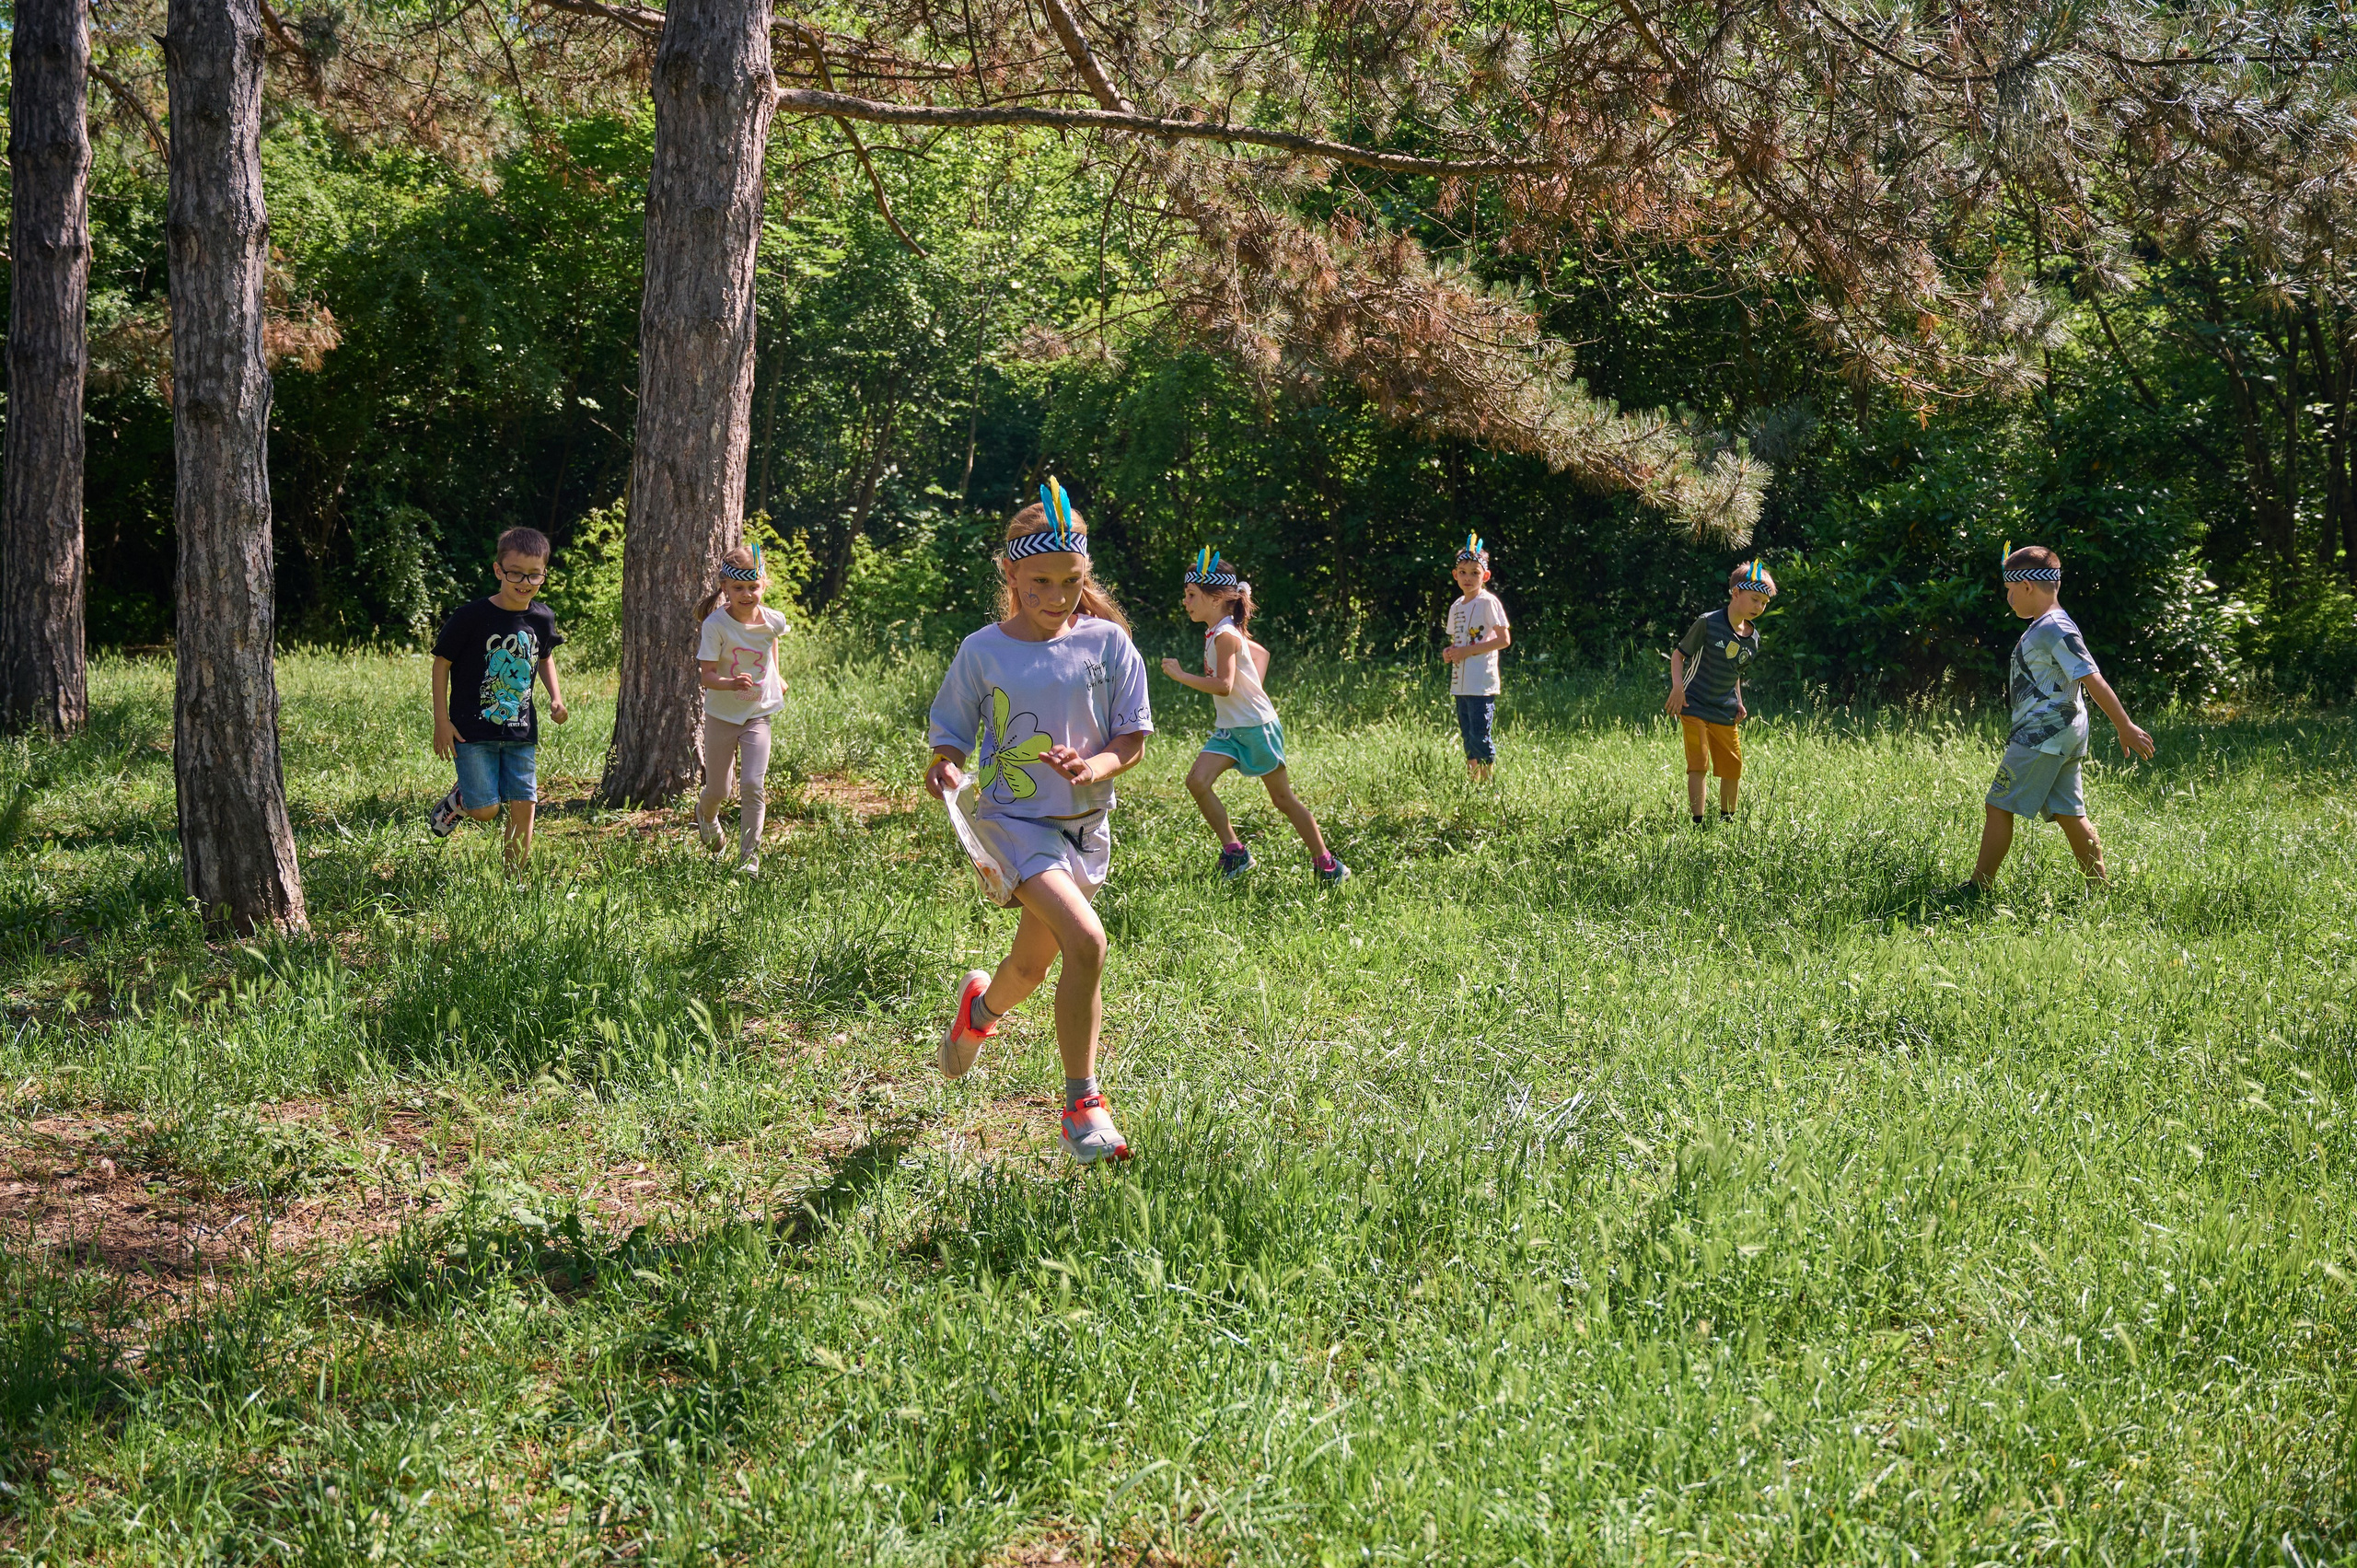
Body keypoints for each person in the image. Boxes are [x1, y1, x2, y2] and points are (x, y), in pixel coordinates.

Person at [925, 480, 1152, 1165]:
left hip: (1085, 826)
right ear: (1011, 575)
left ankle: (978, 1013)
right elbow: (951, 732)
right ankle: (1083, 1107)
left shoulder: (1110, 644)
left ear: (1087, 574)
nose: (1057, 597)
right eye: (1041, 583)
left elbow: (1131, 739)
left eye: (1071, 582)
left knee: (1029, 965)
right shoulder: (983, 651)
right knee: (1087, 941)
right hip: (1013, 822)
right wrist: (944, 764)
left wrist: (1094, 766)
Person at [1956, 545, 2155, 897]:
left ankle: (1978, 888)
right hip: (2060, 733)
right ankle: (2100, 891)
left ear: (2028, 586)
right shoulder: (2048, 625)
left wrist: (2124, 725)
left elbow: (2092, 677)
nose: (2008, 598)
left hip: (2043, 733)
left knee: (1998, 804)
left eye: (2010, 590)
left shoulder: (2054, 627)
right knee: (2068, 812)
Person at [1161, 548, 1350, 883]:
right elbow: (1261, 654)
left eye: (1191, 595)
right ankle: (1235, 853)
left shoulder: (1225, 635)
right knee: (1197, 782)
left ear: (1215, 598)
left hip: (1256, 728)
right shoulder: (1222, 630)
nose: (1185, 601)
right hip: (1230, 730)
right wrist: (1250, 689)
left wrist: (1181, 675)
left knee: (1282, 799)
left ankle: (1327, 865)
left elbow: (1223, 686)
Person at [429, 526, 569, 870]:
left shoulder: (542, 618)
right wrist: (441, 720)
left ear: (544, 574)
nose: (525, 582)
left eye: (534, 575)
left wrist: (556, 697)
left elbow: (544, 656)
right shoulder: (470, 617)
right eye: (515, 573)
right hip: (472, 731)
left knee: (525, 804)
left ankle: (514, 879)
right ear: (498, 570)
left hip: (521, 730)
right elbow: (441, 663)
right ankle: (462, 798)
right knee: (485, 810)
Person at [694, 543, 792, 876]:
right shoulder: (716, 625)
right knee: (719, 789)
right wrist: (731, 682)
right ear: (725, 587)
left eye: (753, 587)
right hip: (722, 715)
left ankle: (749, 859)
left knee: (752, 784)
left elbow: (771, 639)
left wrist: (776, 675)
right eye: (738, 588)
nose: (747, 594)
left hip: (757, 713)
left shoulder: (773, 620)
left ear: (763, 585)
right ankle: (706, 814)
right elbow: (706, 676)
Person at [1666, 561, 1774, 826]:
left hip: (1724, 709)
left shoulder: (1753, 638)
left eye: (1764, 603)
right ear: (1736, 593)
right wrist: (1678, 688)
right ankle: (1698, 823)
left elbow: (1734, 671)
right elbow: (1679, 656)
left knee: (1732, 766)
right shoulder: (1708, 622)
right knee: (1699, 763)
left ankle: (1727, 823)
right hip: (1694, 704)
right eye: (1755, 599)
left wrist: (1738, 701)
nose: (1759, 607)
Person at [1442, 534, 1512, 782]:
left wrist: (1466, 652)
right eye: (1463, 572)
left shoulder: (1488, 602)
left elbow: (1504, 640)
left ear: (1486, 576)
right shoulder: (1456, 606)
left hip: (1481, 684)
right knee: (1468, 736)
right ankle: (1473, 785)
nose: (1468, 578)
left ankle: (1489, 785)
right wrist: (1450, 652)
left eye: (1474, 573)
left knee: (1480, 736)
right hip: (1461, 684)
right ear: (1455, 575)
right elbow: (1459, 642)